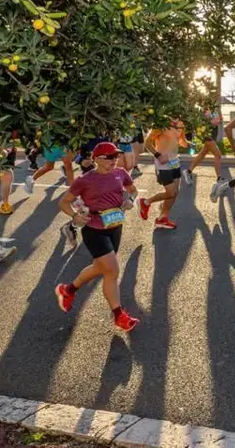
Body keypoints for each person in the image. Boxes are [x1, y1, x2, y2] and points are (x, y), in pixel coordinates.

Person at [52, 142, 139, 332]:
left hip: (115, 225)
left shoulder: (121, 173)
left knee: (100, 268)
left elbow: (133, 190)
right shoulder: (85, 180)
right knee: (112, 271)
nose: (114, 160)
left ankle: (68, 290)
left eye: (116, 156)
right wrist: (75, 215)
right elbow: (64, 202)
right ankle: (118, 316)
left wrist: (130, 199)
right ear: (97, 159)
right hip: (94, 229)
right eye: (109, 157)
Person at [137, 118, 189, 229]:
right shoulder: (161, 124)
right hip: (163, 163)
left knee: (175, 193)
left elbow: (181, 141)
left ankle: (162, 218)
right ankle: (145, 202)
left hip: (175, 162)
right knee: (170, 193)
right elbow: (147, 143)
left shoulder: (181, 124)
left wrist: (187, 143)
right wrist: (158, 155)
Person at [188, 104, 231, 186]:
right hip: (209, 137)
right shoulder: (207, 111)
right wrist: (218, 120)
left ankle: (188, 171)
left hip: (211, 136)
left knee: (202, 154)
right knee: (218, 155)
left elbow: (220, 120)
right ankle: (219, 178)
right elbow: (213, 123)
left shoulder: (214, 110)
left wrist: (219, 114)